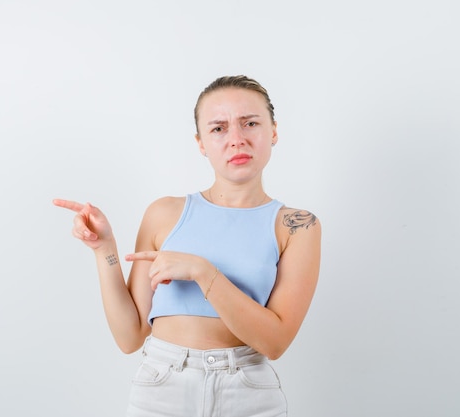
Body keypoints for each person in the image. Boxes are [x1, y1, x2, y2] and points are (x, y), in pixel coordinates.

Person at [53, 75, 321, 417]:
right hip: (162, 387)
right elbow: (130, 336)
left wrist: (203, 272)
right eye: (219, 129)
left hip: (249, 393)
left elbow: (275, 342)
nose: (236, 140)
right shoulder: (164, 213)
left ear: (273, 131)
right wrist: (103, 248)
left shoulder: (297, 226)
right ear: (201, 143)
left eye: (250, 123)